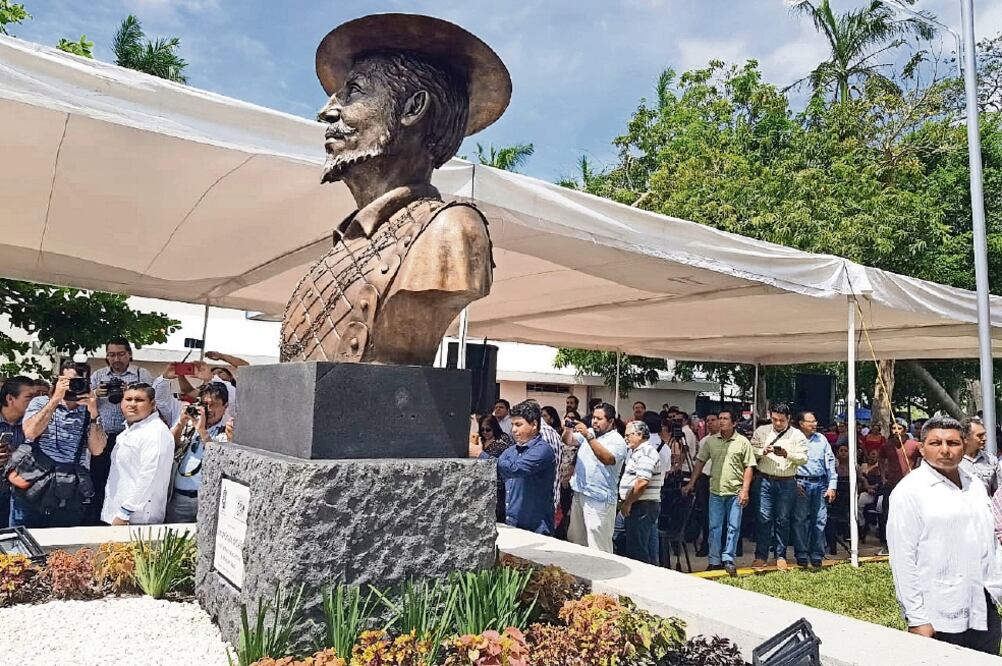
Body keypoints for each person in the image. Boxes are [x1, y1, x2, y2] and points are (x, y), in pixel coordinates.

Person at [888, 416, 1002, 655]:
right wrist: (917, 618)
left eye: (952, 443)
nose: (945, 450)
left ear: (964, 445)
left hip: (983, 605)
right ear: (922, 448)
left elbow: (990, 541)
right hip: (938, 611)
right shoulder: (909, 492)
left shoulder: (974, 485)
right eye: (935, 443)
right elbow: (902, 558)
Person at [8, 363, 106, 527]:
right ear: (58, 381)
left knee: (58, 540)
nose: (73, 386)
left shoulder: (89, 410)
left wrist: (94, 413)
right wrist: (55, 399)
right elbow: (30, 433)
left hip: (64, 489)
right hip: (31, 482)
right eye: (68, 381)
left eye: (78, 381)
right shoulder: (41, 402)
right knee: (21, 536)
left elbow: (97, 450)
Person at [88, 337, 155, 523]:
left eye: (120, 354)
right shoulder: (98, 375)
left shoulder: (141, 374)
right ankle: (99, 521)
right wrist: (95, 394)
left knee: (128, 480)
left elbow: (151, 398)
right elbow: (84, 399)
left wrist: (129, 392)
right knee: (100, 482)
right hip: (104, 438)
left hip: (132, 437)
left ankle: (124, 516)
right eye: (111, 355)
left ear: (129, 354)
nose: (116, 359)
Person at [683, 409, 755, 576]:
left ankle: (728, 558)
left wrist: (745, 490)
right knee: (714, 527)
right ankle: (714, 560)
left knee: (733, 527)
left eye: (725, 419)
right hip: (715, 491)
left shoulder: (743, 442)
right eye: (720, 418)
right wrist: (691, 483)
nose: (721, 421)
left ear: (734, 423)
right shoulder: (710, 441)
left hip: (735, 492)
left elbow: (749, 466)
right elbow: (700, 462)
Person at [474, 401, 555, 534]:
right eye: (512, 425)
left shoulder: (543, 450)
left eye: (518, 425)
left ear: (534, 424)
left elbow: (515, 469)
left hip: (535, 528)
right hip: (511, 524)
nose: (514, 430)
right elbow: (498, 469)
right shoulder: (511, 451)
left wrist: (480, 454)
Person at [101, 384, 174, 525]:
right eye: (128, 399)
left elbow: (149, 476)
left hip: (137, 519)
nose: (132, 404)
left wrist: (125, 513)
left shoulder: (155, 432)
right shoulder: (130, 430)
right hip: (118, 514)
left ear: (153, 404)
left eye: (139, 400)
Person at [750, 402, 808, 570]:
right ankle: (761, 556)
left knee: (783, 519)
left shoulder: (797, 435)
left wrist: (787, 454)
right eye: (774, 419)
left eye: (781, 420)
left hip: (787, 481)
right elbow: (749, 451)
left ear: (788, 418)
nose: (777, 423)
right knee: (763, 518)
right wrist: (762, 451)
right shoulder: (761, 431)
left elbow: (804, 458)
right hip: (764, 480)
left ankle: (781, 555)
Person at [567, 402, 627, 553]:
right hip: (580, 493)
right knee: (576, 541)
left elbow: (608, 459)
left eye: (599, 419)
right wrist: (568, 428)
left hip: (599, 499)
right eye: (593, 417)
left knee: (598, 546)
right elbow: (568, 440)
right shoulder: (589, 432)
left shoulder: (617, 440)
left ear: (611, 421)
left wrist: (589, 437)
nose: (594, 421)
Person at [165, 382, 230, 523]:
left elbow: (219, 459)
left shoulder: (227, 431)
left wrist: (202, 431)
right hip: (179, 499)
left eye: (214, 404)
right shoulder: (190, 424)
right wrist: (181, 423)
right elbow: (169, 446)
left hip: (207, 500)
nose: (209, 409)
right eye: (205, 404)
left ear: (225, 406)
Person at [792, 411, 837, 568]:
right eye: (811, 421)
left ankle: (817, 554)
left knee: (819, 520)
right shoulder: (793, 439)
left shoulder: (821, 439)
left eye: (815, 421)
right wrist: (793, 483)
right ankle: (801, 554)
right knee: (800, 521)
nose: (815, 424)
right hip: (800, 484)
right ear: (801, 423)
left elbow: (830, 463)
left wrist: (832, 486)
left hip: (820, 484)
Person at [619, 420, 663, 564]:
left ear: (639, 435)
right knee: (639, 545)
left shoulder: (646, 452)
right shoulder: (638, 452)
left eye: (628, 435)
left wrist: (628, 502)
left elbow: (642, 481)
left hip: (642, 505)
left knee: (638, 549)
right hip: (640, 504)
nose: (626, 438)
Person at [877, 418, 921, 547]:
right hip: (891, 484)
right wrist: (883, 477)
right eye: (893, 428)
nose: (896, 431)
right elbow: (881, 460)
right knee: (887, 512)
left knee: (909, 513)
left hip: (909, 486)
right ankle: (887, 541)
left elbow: (927, 456)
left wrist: (919, 473)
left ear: (905, 430)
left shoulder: (914, 444)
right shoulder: (887, 445)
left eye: (899, 428)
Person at [0, 377, 33, 528]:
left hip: (20, 494)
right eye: (29, 397)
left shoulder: (32, 425)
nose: (34, 402)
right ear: (10, 398)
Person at [473, 414, 513, 523]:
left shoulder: (502, 442)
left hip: (498, 485)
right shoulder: (480, 441)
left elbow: (504, 464)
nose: (485, 432)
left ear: (494, 428)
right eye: (482, 430)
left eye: (488, 429)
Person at [693, 411, 719, 557]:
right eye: (708, 420)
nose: (710, 423)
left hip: (719, 479)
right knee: (705, 513)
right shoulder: (704, 441)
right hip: (704, 478)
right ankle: (706, 544)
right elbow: (699, 462)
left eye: (713, 420)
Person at [960, 416, 1002, 496]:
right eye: (979, 435)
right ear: (966, 438)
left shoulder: (991, 460)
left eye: (984, 434)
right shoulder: (954, 461)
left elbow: (998, 492)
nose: (985, 438)